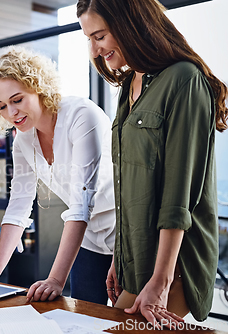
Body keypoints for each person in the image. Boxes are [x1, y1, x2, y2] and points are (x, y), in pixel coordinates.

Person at [77, 0, 228, 327]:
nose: (94, 48)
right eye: (88, 38)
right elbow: (126, 185)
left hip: (175, 265)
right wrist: (119, 256)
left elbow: (178, 195)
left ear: (129, 25)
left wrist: (161, 281)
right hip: (135, 257)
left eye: (99, 36)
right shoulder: (129, 86)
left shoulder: (185, 80)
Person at [0, 46, 116, 306]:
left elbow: (81, 204)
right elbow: (20, 202)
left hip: (126, 235)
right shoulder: (22, 139)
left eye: (17, 100)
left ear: (39, 86)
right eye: (2, 106)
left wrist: (55, 280)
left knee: (130, 323)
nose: (11, 113)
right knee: (84, 318)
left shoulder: (81, 115)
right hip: (89, 240)